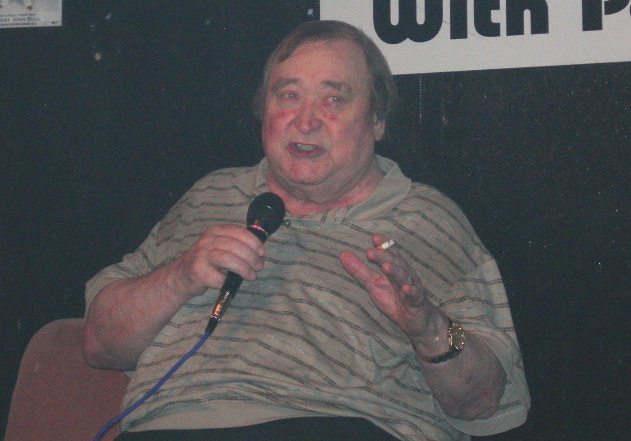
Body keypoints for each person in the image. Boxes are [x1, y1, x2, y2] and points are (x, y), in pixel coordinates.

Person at [83, 20, 530, 441]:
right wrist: (179, 276)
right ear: (264, 113)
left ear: (377, 120)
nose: (307, 120)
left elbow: (484, 403)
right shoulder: (210, 195)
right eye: (289, 96)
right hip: (170, 427)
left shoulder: (428, 219)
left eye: (334, 99)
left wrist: (428, 327)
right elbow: (100, 344)